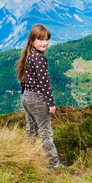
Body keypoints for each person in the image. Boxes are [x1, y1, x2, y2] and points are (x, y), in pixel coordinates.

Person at [17, 24, 66, 169]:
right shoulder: (39, 58)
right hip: (37, 99)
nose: (44, 43)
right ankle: (53, 164)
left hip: (27, 97)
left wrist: (25, 95)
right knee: (46, 133)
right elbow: (45, 84)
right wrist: (51, 104)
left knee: (31, 130)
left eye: (47, 39)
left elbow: (24, 78)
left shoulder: (29, 54)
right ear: (32, 40)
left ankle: (26, 157)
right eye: (40, 39)